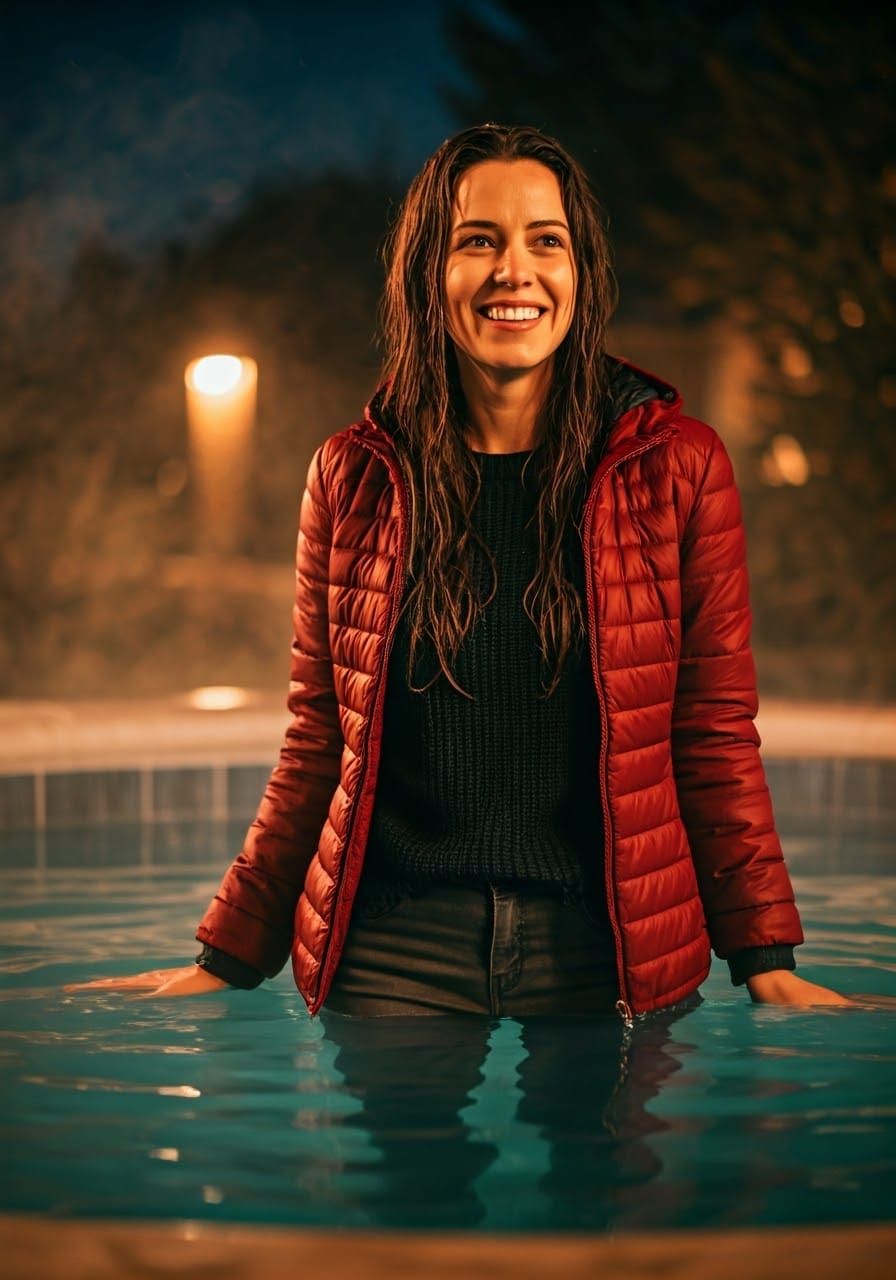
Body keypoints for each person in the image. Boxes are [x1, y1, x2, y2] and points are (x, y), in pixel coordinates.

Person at [67, 123, 851, 1021]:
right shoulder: (351, 476)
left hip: (608, 943)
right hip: (395, 946)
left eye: (545, 241)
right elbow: (321, 741)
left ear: (581, 272)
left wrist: (765, 957)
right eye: (478, 240)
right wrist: (226, 954)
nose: (514, 271)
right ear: (425, 275)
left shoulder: (676, 467)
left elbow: (711, 730)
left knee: (621, 1170)